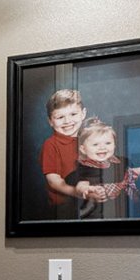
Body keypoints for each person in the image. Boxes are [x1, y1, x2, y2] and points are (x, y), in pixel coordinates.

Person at [66, 117, 140, 219]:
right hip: (95, 210)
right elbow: (80, 185)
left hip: (119, 205)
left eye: (108, 143)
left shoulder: (117, 162)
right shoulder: (85, 167)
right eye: (95, 144)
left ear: (114, 145)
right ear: (83, 149)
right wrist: (88, 189)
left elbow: (128, 173)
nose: (102, 147)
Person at [38, 88, 91, 217]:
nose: (67, 121)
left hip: (87, 203)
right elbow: (53, 181)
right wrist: (76, 192)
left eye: (73, 114)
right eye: (60, 117)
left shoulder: (89, 140)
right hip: (63, 208)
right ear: (50, 121)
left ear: (83, 114)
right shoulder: (51, 144)